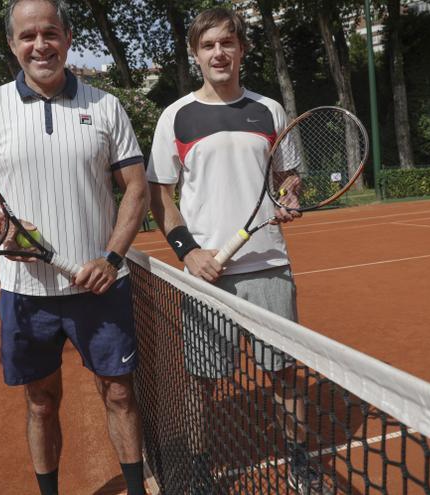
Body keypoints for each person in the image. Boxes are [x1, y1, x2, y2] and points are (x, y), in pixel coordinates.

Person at [0, 1, 148, 494]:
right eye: (27, 36)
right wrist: (2, 225)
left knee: (120, 394)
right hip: (24, 290)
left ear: (67, 37)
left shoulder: (105, 105)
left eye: (50, 33)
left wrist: (112, 259)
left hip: (101, 288)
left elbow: (136, 187)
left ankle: (133, 488)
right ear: (12, 45)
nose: (39, 45)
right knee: (40, 400)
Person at [146, 7, 331, 495]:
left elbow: (287, 177)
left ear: (242, 49)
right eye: (208, 46)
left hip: (269, 265)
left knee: (284, 376)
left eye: (227, 43)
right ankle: (202, 467)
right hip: (205, 274)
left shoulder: (269, 110)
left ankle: (299, 462)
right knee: (201, 385)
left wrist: (290, 194)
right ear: (195, 54)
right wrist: (188, 252)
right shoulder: (176, 116)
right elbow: (159, 194)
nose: (218, 53)